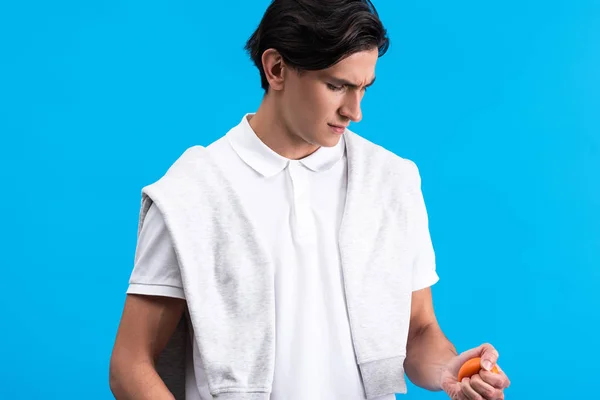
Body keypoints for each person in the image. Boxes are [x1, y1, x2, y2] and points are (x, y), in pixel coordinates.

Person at [109, 0, 511, 399]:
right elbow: (130, 364)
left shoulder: (392, 181)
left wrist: (448, 369)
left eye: (364, 88)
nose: (354, 111)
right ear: (276, 68)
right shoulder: (191, 193)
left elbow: (418, 329)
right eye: (336, 86)